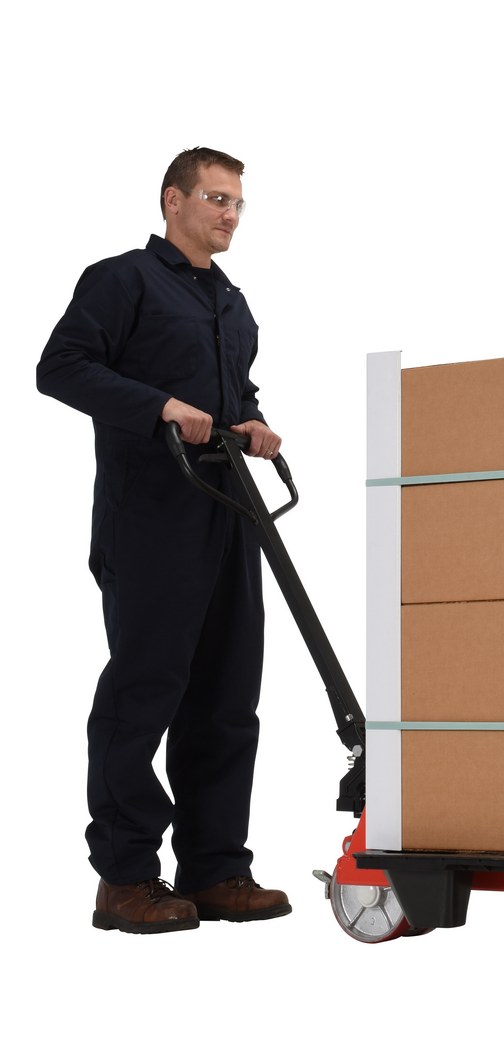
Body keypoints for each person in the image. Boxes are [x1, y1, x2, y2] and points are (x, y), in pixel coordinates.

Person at [37, 147, 290, 934]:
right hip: (151, 519)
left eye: (237, 202)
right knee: (145, 692)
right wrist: (159, 407)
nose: (229, 214)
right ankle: (125, 877)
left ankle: (214, 869)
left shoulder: (232, 303)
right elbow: (61, 367)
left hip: (229, 511)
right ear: (172, 201)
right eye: (215, 198)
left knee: (228, 696)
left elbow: (234, 389)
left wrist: (253, 420)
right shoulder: (123, 281)